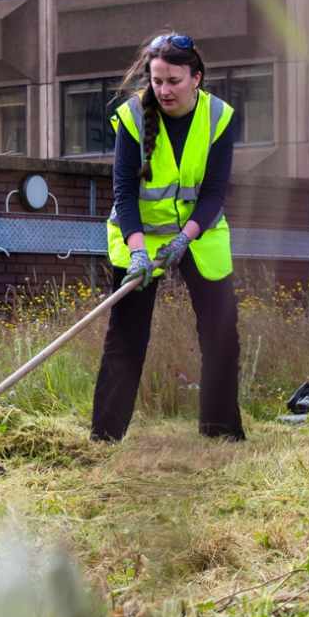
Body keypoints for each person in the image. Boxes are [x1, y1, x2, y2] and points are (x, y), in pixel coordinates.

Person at [91, 32, 245, 443]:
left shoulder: (219, 117)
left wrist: (185, 240)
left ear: (196, 78)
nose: (164, 90)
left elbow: (214, 193)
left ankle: (220, 432)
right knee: (126, 337)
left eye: (173, 81)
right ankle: (105, 438)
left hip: (200, 234)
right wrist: (139, 254)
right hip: (138, 235)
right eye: (157, 80)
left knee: (221, 335)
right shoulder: (130, 118)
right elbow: (124, 193)